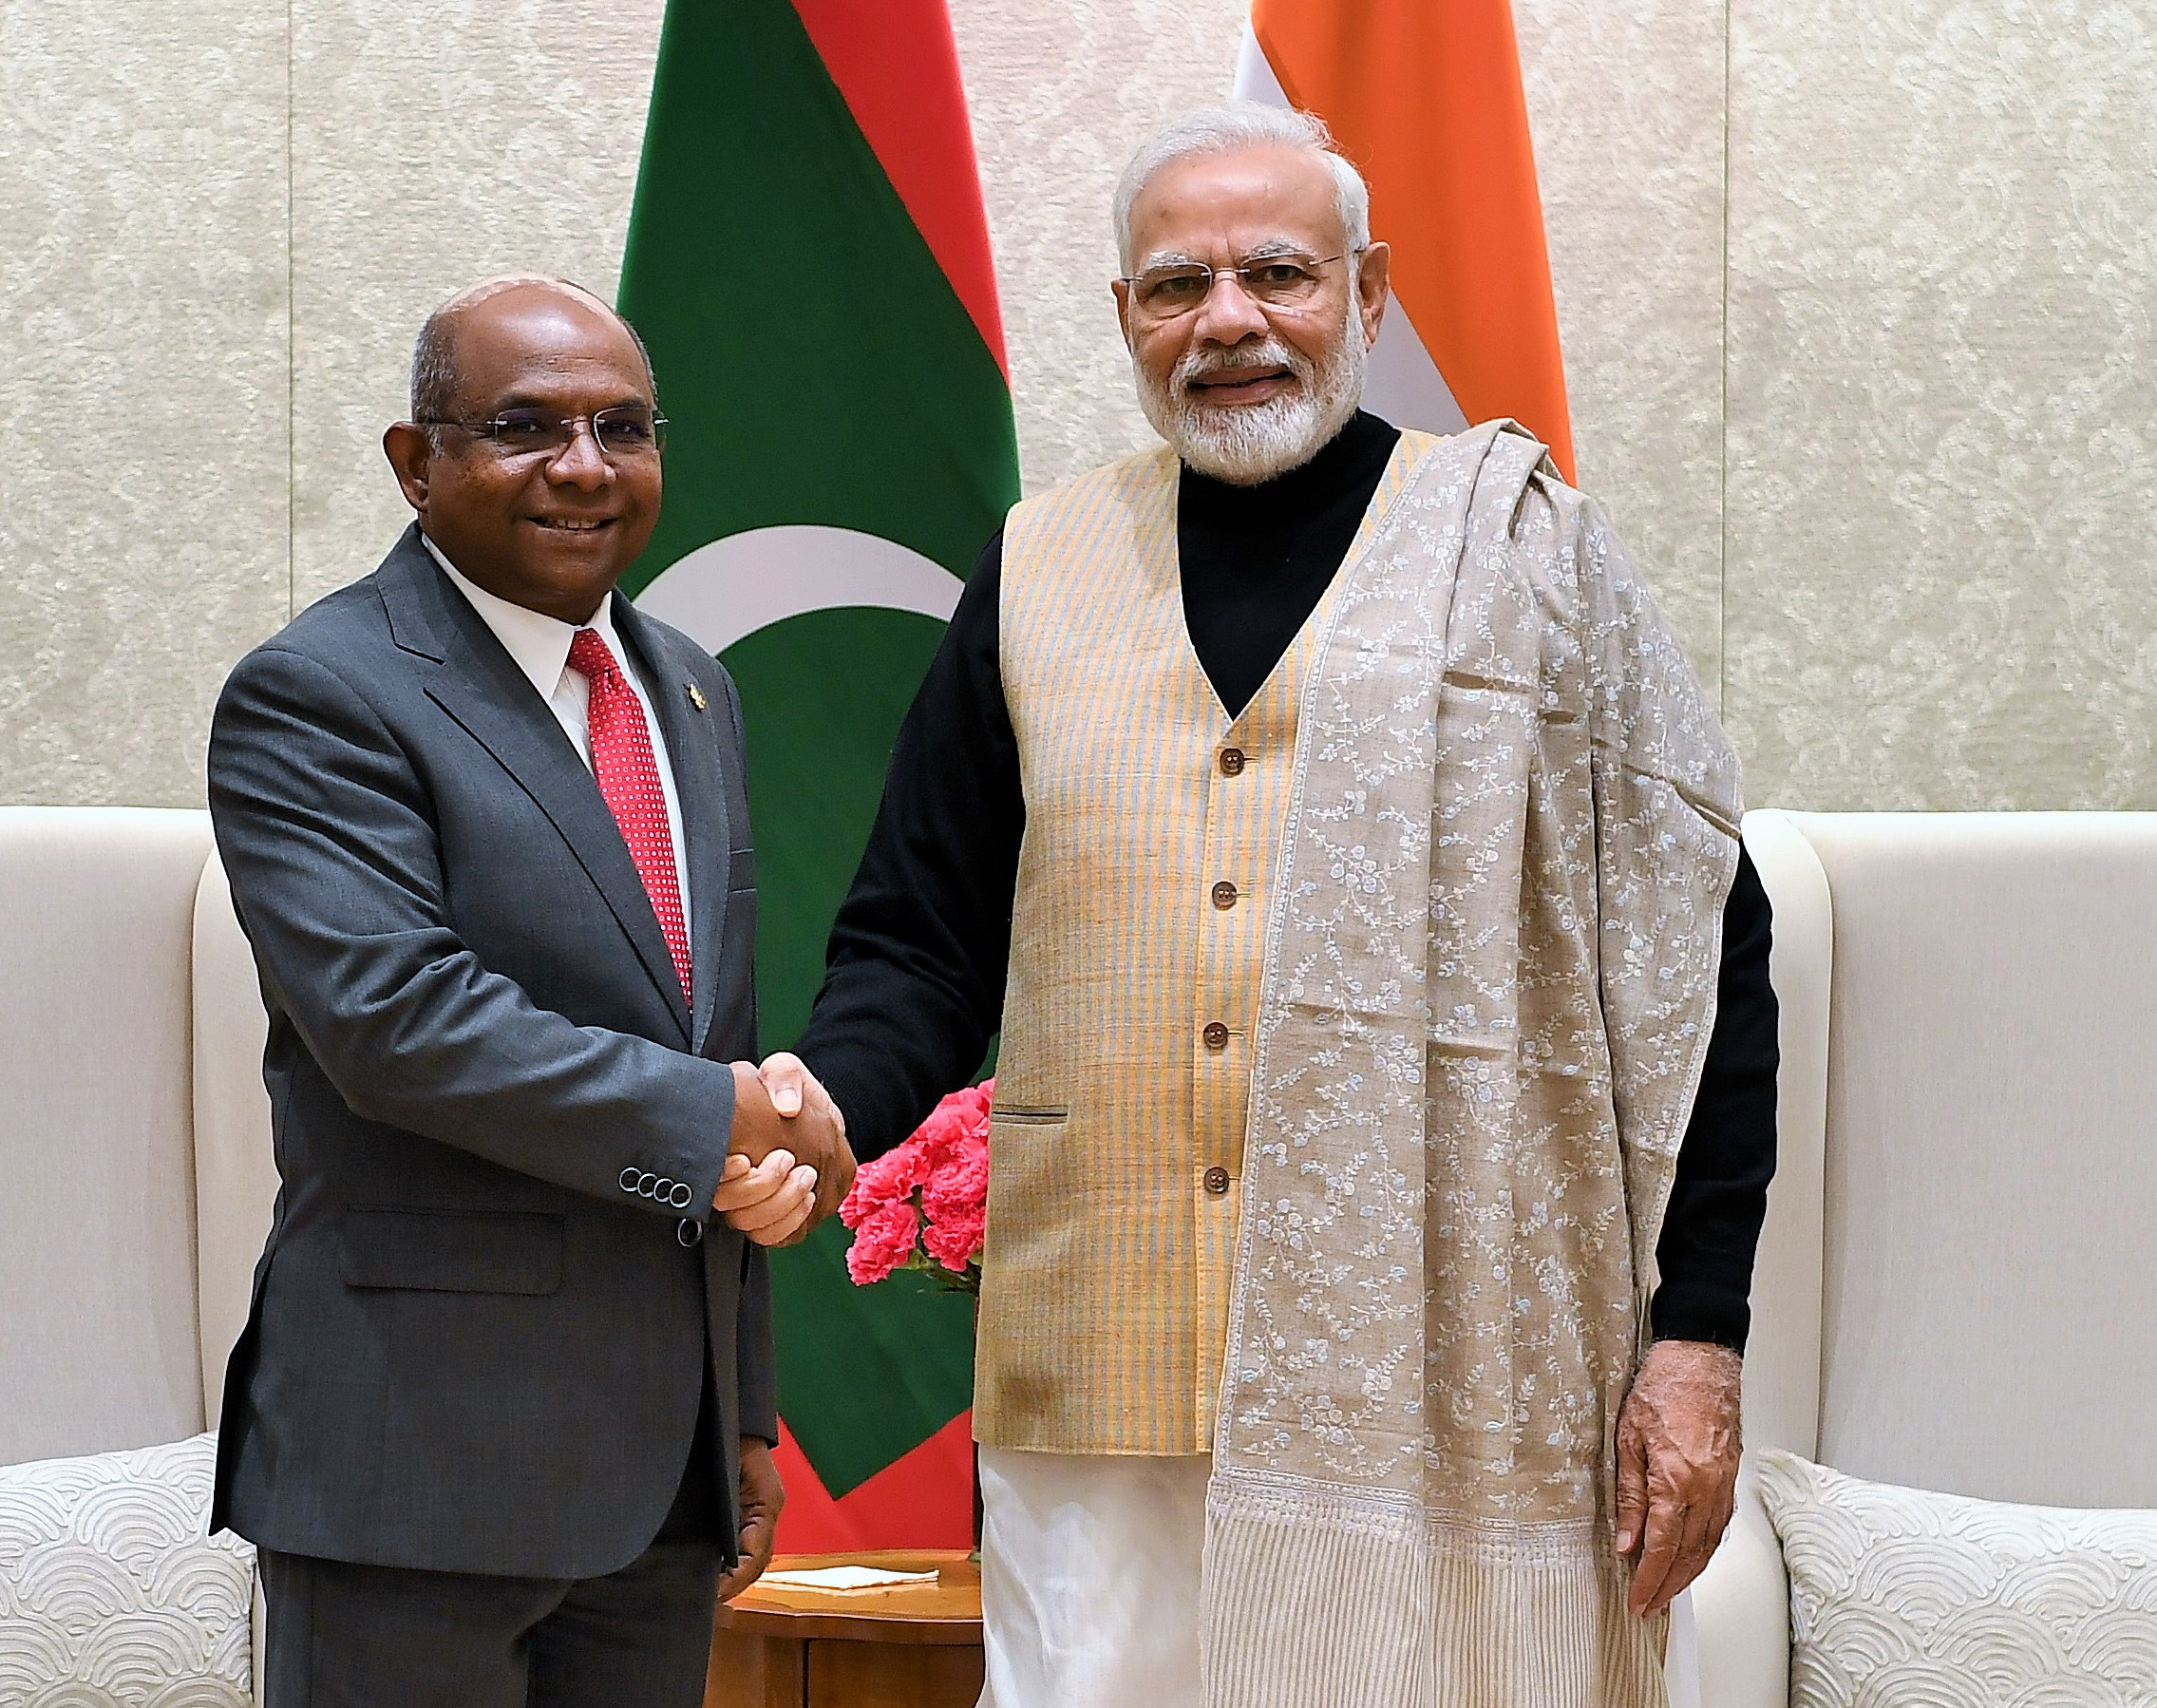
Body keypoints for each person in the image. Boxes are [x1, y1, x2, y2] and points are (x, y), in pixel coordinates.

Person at [797, 106, 1778, 1708]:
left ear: (1370, 292)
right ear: (1125, 316)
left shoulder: (1526, 556)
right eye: (1177, 284)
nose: (1230, 320)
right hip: (1098, 1367)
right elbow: (920, 935)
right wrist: (820, 1099)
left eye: (1279, 273)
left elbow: (1698, 954)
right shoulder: (1035, 567)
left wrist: (1701, 1331)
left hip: (1437, 1370)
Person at [206, 275, 853, 1708]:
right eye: (524, 427)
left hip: (660, 1488)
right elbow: (397, 1026)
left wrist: (739, 1405)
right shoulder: (321, 690)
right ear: (413, 461)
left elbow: (709, 1034)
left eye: (622, 427)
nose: (582, 466)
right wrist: (719, 1115)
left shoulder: (688, 686)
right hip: (417, 1475)